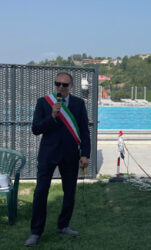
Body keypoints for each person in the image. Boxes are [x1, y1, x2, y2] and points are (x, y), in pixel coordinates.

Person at [25, 72, 91, 246]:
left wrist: (85, 154)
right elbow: (36, 129)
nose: (61, 87)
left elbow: (84, 131)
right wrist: (53, 116)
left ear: (71, 86)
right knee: (40, 192)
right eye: (58, 84)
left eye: (65, 85)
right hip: (48, 154)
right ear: (55, 85)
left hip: (70, 155)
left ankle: (63, 225)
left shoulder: (78, 104)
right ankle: (36, 232)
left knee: (70, 192)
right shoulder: (43, 102)